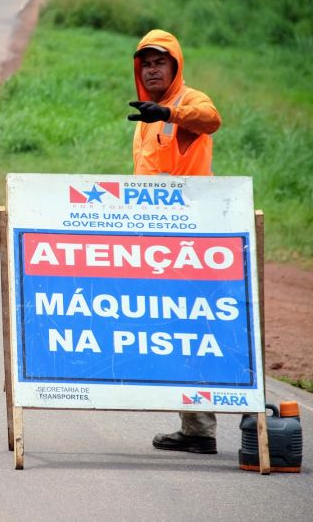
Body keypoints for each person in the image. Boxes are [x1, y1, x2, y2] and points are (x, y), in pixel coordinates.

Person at [127, 29, 222, 454]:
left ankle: (201, 430)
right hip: (153, 239)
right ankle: (194, 425)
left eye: (159, 62)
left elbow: (211, 121)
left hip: (191, 241)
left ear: (176, 66)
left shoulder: (189, 102)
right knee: (167, 329)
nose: (151, 68)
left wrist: (171, 112)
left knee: (191, 328)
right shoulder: (146, 118)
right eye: (145, 62)